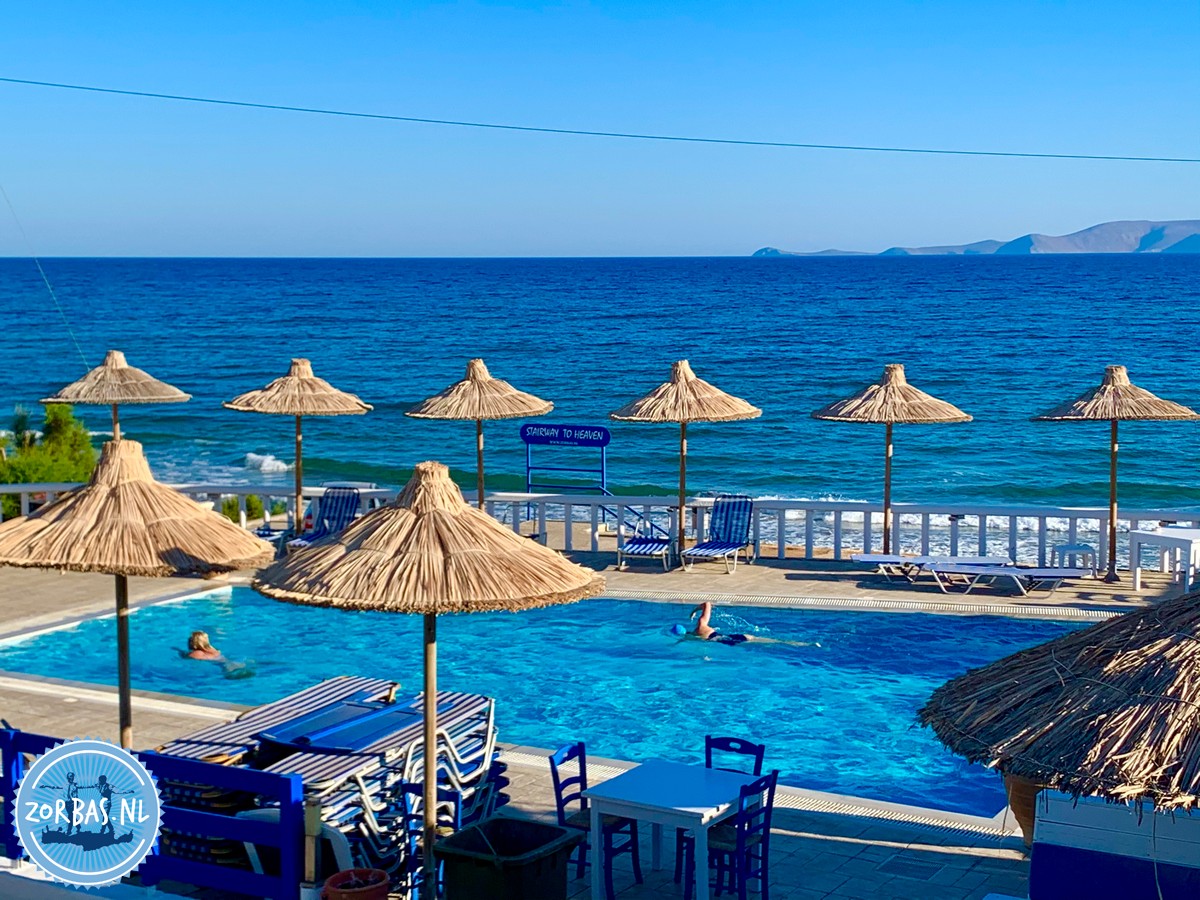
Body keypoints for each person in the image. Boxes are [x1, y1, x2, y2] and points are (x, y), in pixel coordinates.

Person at [671, 602, 820, 648]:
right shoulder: (701, 625)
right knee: (773, 641)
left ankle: (804, 644)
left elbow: (680, 642)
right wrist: (693, 611)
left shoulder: (690, 637)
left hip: (730, 642)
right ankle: (805, 644)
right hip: (735, 636)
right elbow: (707, 604)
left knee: (772, 644)